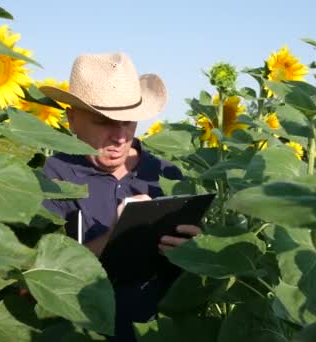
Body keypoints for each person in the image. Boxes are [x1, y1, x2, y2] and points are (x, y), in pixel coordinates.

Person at [39, 52, 201, 341]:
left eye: (128, 122)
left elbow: (189, 282)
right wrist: (115, 236)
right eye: (103, 122)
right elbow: (42, 278)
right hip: (82, 331)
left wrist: (195, 253)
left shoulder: (165, 174)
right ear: (72, 119)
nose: (120, 137)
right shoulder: (54, 176)